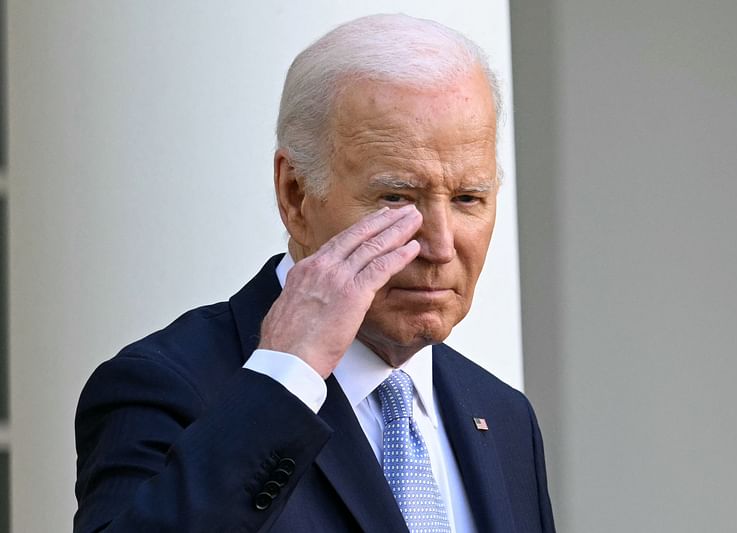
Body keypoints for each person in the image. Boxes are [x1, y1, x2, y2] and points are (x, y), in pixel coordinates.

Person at [74, 13, 555, 533]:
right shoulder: (167, 385)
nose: (439, 246)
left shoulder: (503, 415)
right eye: (395, 198)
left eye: (468, 198)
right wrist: (285, 380)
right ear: (295, 195)